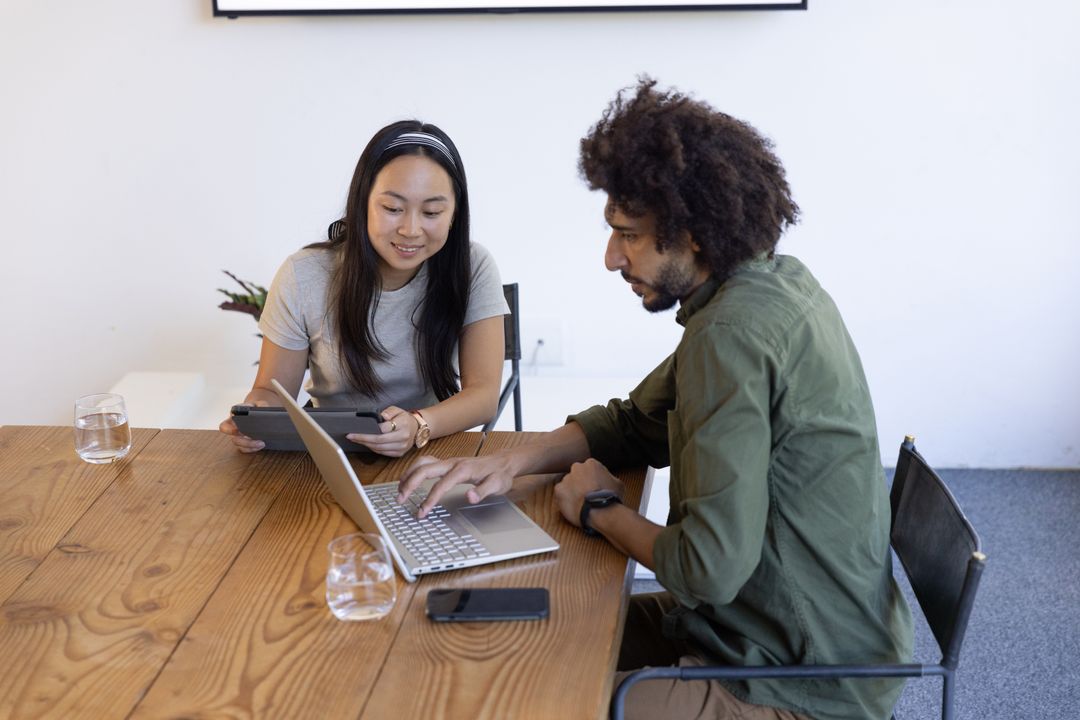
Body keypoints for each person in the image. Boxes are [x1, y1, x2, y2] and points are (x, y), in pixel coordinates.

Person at [397, 80, 913, 720]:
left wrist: (601, 510)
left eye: (629, 235)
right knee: (525, 641)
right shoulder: (763, 286)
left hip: (798, 677)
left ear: (692, 232)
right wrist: (511, 462)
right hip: (755, 624)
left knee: (522, 699)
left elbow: (706, 568)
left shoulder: (731, 335)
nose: (611, 257)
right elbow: (635, 423)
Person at [220, 120, 508, 457]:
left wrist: (418, 424)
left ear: (454, 214)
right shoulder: (304, 274)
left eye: (431, 212)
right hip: (330, 452)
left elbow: (483, 395)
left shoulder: (472, 267)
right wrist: (257, 416)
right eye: (392, 209)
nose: (410, 229)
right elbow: (271, 392)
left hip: (430, 446)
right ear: (363, 203)